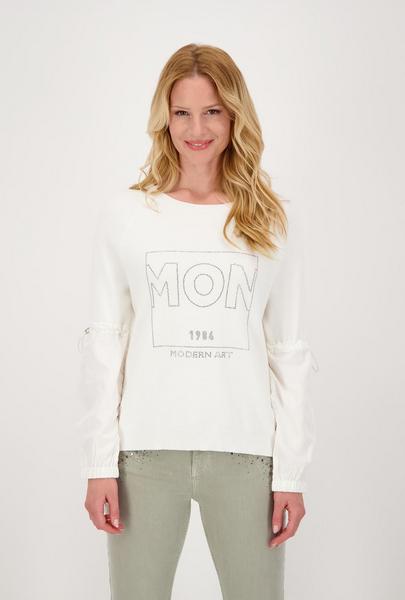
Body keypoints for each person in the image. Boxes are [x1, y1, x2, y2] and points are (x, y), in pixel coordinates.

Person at [77, 43, 319, 600]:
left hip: (246, 452)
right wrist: (98, 463)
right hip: (143, 452)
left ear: (235, 115)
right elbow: (105, 344)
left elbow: (288, 350)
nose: (197, 129)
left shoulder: (271, 219)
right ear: (164, 118)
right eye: (182, 112)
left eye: (212, 111)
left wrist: (290, 474)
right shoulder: (128, 215)